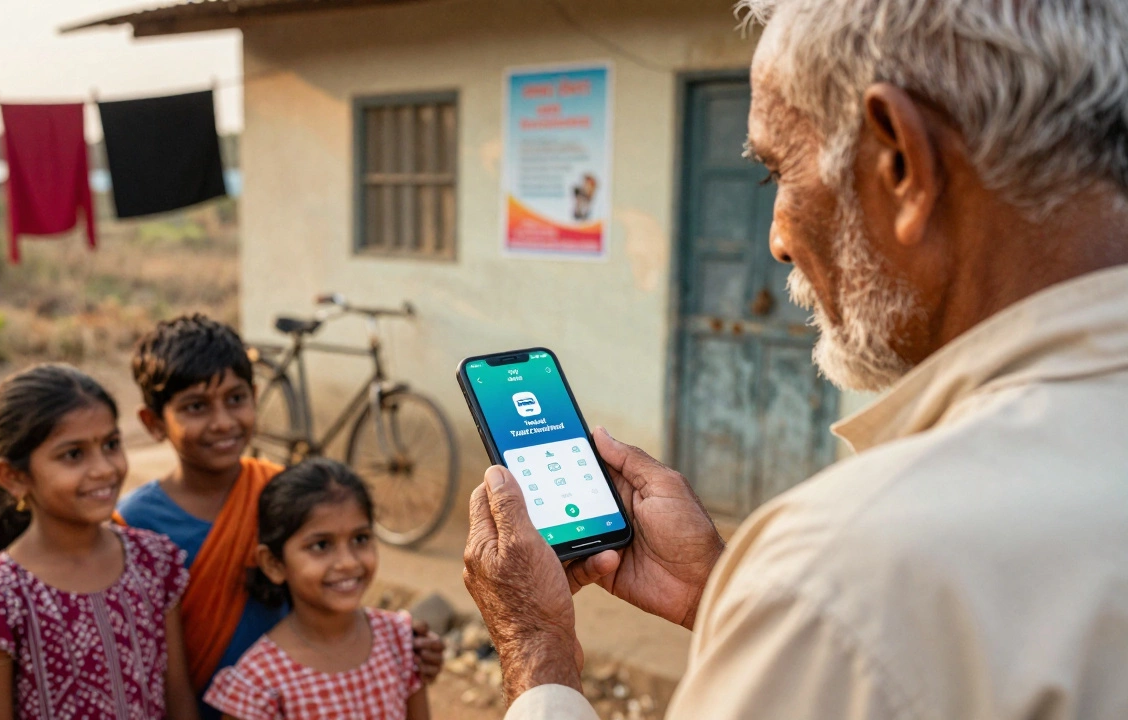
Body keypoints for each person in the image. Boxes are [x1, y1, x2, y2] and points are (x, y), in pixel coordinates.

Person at [462, 1, 1128, 719]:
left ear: (900, 160)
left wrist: (538, 653)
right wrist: (726, 592)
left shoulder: (858, 566)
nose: (778, 238)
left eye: (776, 171)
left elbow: (861, 624)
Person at [118, 315, 443, 718]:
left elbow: (332, 603)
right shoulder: (133, 524)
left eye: (236, 399)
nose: (222, 421)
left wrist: (403, 647)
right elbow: (150, 652)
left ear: (255, 396)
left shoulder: (283, 492)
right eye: (196, 407)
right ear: (153, 423)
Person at [0, 364, 198, 720]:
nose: (104, 468)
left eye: (111, 444)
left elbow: (178, 698)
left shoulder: (153, 561)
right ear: (13, 477)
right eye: (73, 454)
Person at [204, 459, 430, 720]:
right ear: (274, 564)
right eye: (321, 545)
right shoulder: (260, 683)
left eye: (360, 539)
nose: (348, 562)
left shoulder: (399, 640)